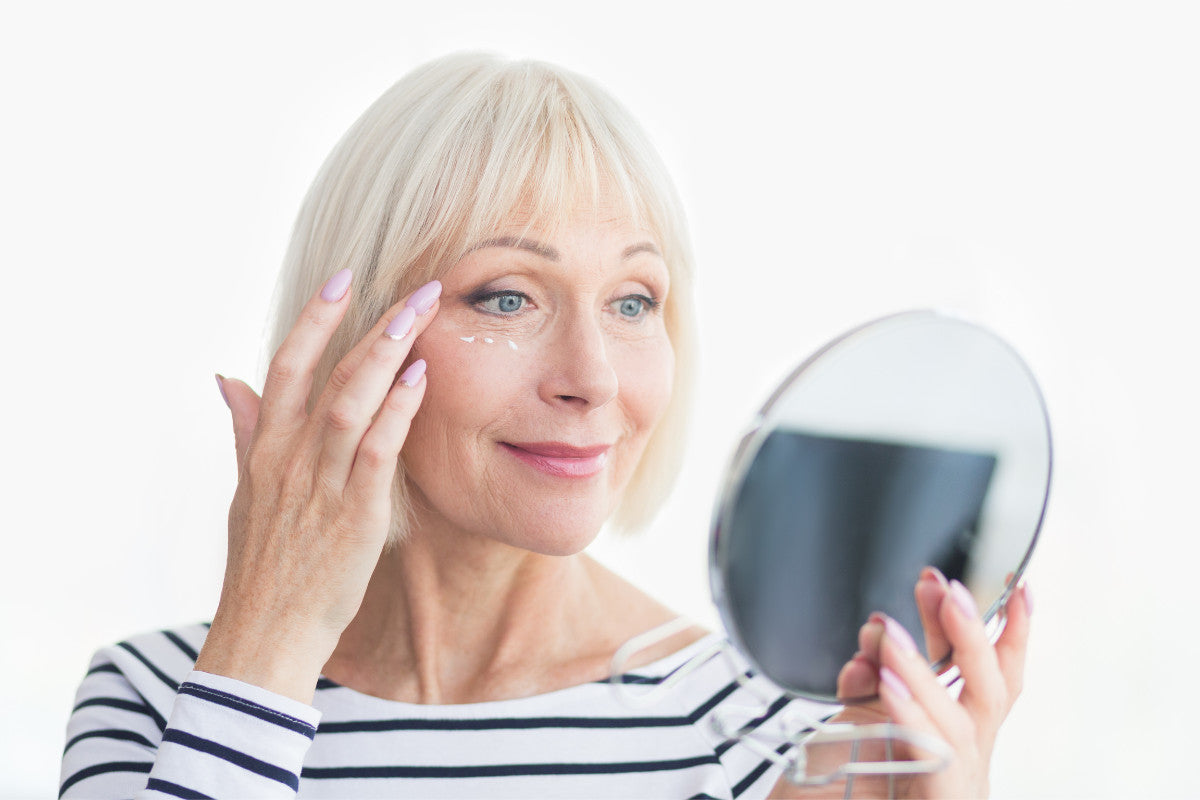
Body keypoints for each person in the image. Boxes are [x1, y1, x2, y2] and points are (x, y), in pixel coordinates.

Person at [60, 52, 1032, 799]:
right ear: (355, 335)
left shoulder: (773, 737)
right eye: (510, 297)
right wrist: (264, 653)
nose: (593, 378)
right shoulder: (156, 698)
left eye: (634, 300)